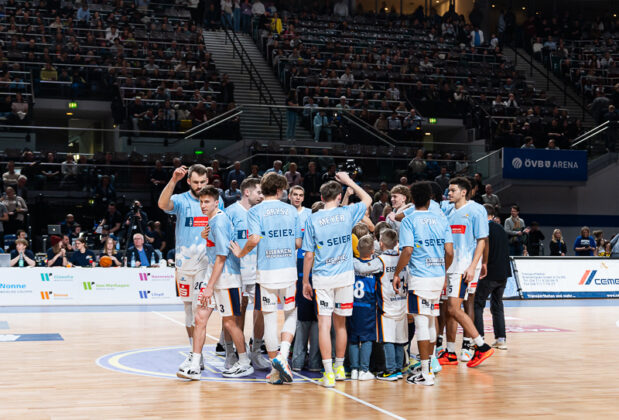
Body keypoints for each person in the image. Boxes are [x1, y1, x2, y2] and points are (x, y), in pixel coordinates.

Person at [230, 173, 302, 385]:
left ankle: (276, 369)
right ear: (280, 190)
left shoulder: (255, 211)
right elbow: (298, 243)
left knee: (269, 319)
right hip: (288, 271)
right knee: (290, 314)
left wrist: (241, 253)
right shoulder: (291, 210)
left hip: (266, 273)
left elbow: (254, 238)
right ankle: (283, 355)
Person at [301, 172, 371, 387]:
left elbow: (309, 254)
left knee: (324, 324)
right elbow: (368, 200)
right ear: (339, 197)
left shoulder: (313, 219)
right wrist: (349, 182)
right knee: (341, 324)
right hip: (345, 277)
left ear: (321, 198)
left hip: (323, 278)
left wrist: (305, 281)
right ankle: (340, 368)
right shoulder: (348, 212)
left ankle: (329, 373)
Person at [177, 186, 254, 380]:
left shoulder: (219, 220)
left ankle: (244, 362)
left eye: (207, 202)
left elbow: (221, 256)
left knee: (230, 323)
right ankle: (195, 363)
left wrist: (209, 287)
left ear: (216, 203)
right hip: (213, 276)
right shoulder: (213, 221)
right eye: (201, 202)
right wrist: (206, 236)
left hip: (227, 278)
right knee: (200, 318)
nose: (203, 205)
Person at [393, 182, 454, 386]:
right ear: (430, 200)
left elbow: (408, 250)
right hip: (437, 276)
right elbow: (450, 252)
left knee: (421, 323)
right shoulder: (441, 219)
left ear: (411, 200)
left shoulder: (409, 220)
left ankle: (426, 372)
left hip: (420, 277)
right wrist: (443, 271)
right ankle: (429, 366)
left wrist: (397, 272)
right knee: (429, 322)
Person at [158, 164, 224, 352]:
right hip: (184, 264)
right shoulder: (180, 200)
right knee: (188, 312)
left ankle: (204, 351)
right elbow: (162, 205)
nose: (199, 186)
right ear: (188, 181)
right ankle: (193, 350)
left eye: (203, 182)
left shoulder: (217, 201)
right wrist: (173, 180)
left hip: (207, 265)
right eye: (195, 182)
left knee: (199, 311)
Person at [438, 177, 493, 368]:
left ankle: (481, 346)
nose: (449, 193)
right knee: (449, 309)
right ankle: (451, 351)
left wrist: (473, 266)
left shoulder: (477, 210)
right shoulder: (446, 209)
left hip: (464, 266)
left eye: (452, 190)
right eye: (448, 190)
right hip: (449, 267)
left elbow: (482, 240)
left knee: (454, 308)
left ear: (464, 192)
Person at [224, 178, 270, 370]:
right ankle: (231, 352)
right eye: (259, 192)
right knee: (234, 314)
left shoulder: (263, 212)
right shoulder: (230, 213)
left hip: (258, 271)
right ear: (247, 192)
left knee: (260, 312)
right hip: (236, 271)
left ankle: (256, 351)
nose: (262, 196)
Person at [289, 186, 320, 372]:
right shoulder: (285, 213)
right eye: (295, 195)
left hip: (307, 265)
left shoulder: (310, 214)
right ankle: (294, 350)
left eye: (301, 195)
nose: (298, 198)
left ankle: (302, 355)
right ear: (290, 196)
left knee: (307, 315)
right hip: (292, 266)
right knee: (293, 312)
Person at [474, 204, 510, 351]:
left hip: (489, 273)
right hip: (503, 273)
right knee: (497, 305)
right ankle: (501, 339)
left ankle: (479, 338)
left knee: (477, 304)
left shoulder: (484, 229)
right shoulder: (501, 228)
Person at [375, 229, 409, 381]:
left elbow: (364, 268)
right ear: (396, 243)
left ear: (381, 243)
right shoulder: (403, 259)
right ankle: (398, 368)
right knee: (400, 340)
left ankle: (390, 369)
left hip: (386, 306)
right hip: (401, 304)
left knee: (388, 339)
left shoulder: (380, 260)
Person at [347, 235, 379, 381]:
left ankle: (354, 369)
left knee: (353, 338)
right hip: (368, 306)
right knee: (367, 338)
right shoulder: (376, 266)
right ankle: (364, 369)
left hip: (353, 305)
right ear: (373, 250)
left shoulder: (352, 263)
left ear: (358, 249)